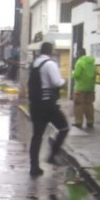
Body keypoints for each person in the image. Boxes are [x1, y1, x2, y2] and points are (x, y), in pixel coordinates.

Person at [28, 41, 69, 177]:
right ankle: (52, 155)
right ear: (50, 51)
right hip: (47, 105)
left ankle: (34, 167)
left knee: (37, 136)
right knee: (63, 127)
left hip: (35, 105)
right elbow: (57, 82)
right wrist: (64, 82)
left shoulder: (35, 64)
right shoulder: (50, 64)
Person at [72, 47, 97, 128]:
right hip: (90, 88)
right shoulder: (92, 62)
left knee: (78, 105)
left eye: (77, 53)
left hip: (80, 87)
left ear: (79, 53)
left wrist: (72, 72)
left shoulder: (79, 62)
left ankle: (78, 122)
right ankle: (90, 122)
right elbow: (95, 74)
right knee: (89, 104)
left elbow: (76, 74)